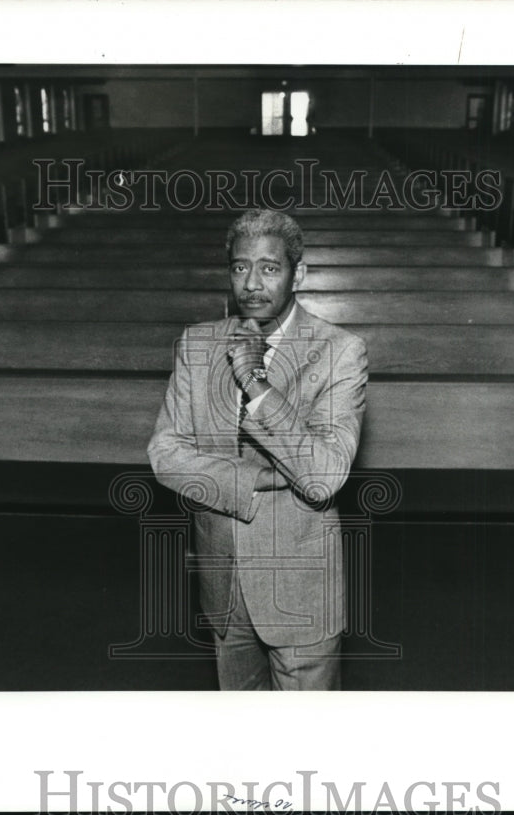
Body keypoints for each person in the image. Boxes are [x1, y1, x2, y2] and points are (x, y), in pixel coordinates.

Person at [147, 209, 368, 690]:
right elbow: (166, 454)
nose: (251, 283)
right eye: (239, 267)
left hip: (300, 584)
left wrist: (256, 383)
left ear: (298, 273)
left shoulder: (339, 351)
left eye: (269, 268)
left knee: (304, 743)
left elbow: (325, 475)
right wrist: (258, 479)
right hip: (221, 578)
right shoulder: (197, 344)